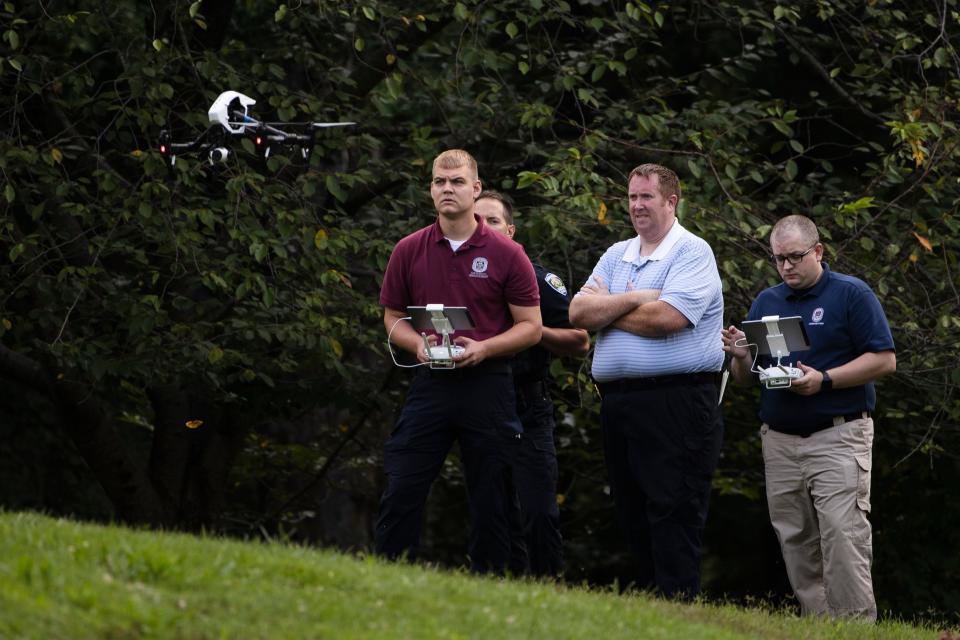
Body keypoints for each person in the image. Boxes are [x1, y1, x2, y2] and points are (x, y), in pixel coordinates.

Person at [720, 214, 895, 621]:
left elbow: (884, 360)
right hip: (780, 439)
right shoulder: (768, 300)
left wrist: (825, 380)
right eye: (779, 259)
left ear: (818, 251)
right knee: (795, 537)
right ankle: (819, 627)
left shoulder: (851, 294)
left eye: (795, 257)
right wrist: (742, 357)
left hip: (838, 433)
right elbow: (748, 379)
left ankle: (853, 629)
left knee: (841, 534)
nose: (786, 267)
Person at [376, 149, 542, 573]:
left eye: (456, 182)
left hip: (487, 383)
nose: (447, 189)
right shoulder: (409, 249)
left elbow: (531, 328)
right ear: (431, 188)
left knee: (492, 494)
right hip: (430, 381)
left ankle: (492, 585)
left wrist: (484, 347)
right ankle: (389, 577)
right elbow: (392, 316)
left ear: (476, 188)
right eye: (439, 182)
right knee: (402, 483)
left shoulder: (506, 253)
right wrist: (414, 344)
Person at [568, 163, 724, 599]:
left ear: (671, 201)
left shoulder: (692, 252)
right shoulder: (617, 254)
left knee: (672, 510)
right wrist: (638, 296)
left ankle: (679, 610)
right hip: (619, 404)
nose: (637, 205)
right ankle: (654, 610)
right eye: (632, 197)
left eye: (647, 197)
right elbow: (578, 314)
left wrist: (610, 310)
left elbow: (668, 319)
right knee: (631, 509)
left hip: (676, 401)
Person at [474, 190, 590, 578]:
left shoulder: (537, 279)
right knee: (491, 511)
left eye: (492, 221)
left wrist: (531, 331)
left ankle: (548, 589)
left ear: (510, 229)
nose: (483, 228)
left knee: (539, 510)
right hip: (480, 405)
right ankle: (497, 594)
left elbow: (580, 340)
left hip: (527, 406)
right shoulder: (463, 279)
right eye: (476, 221)